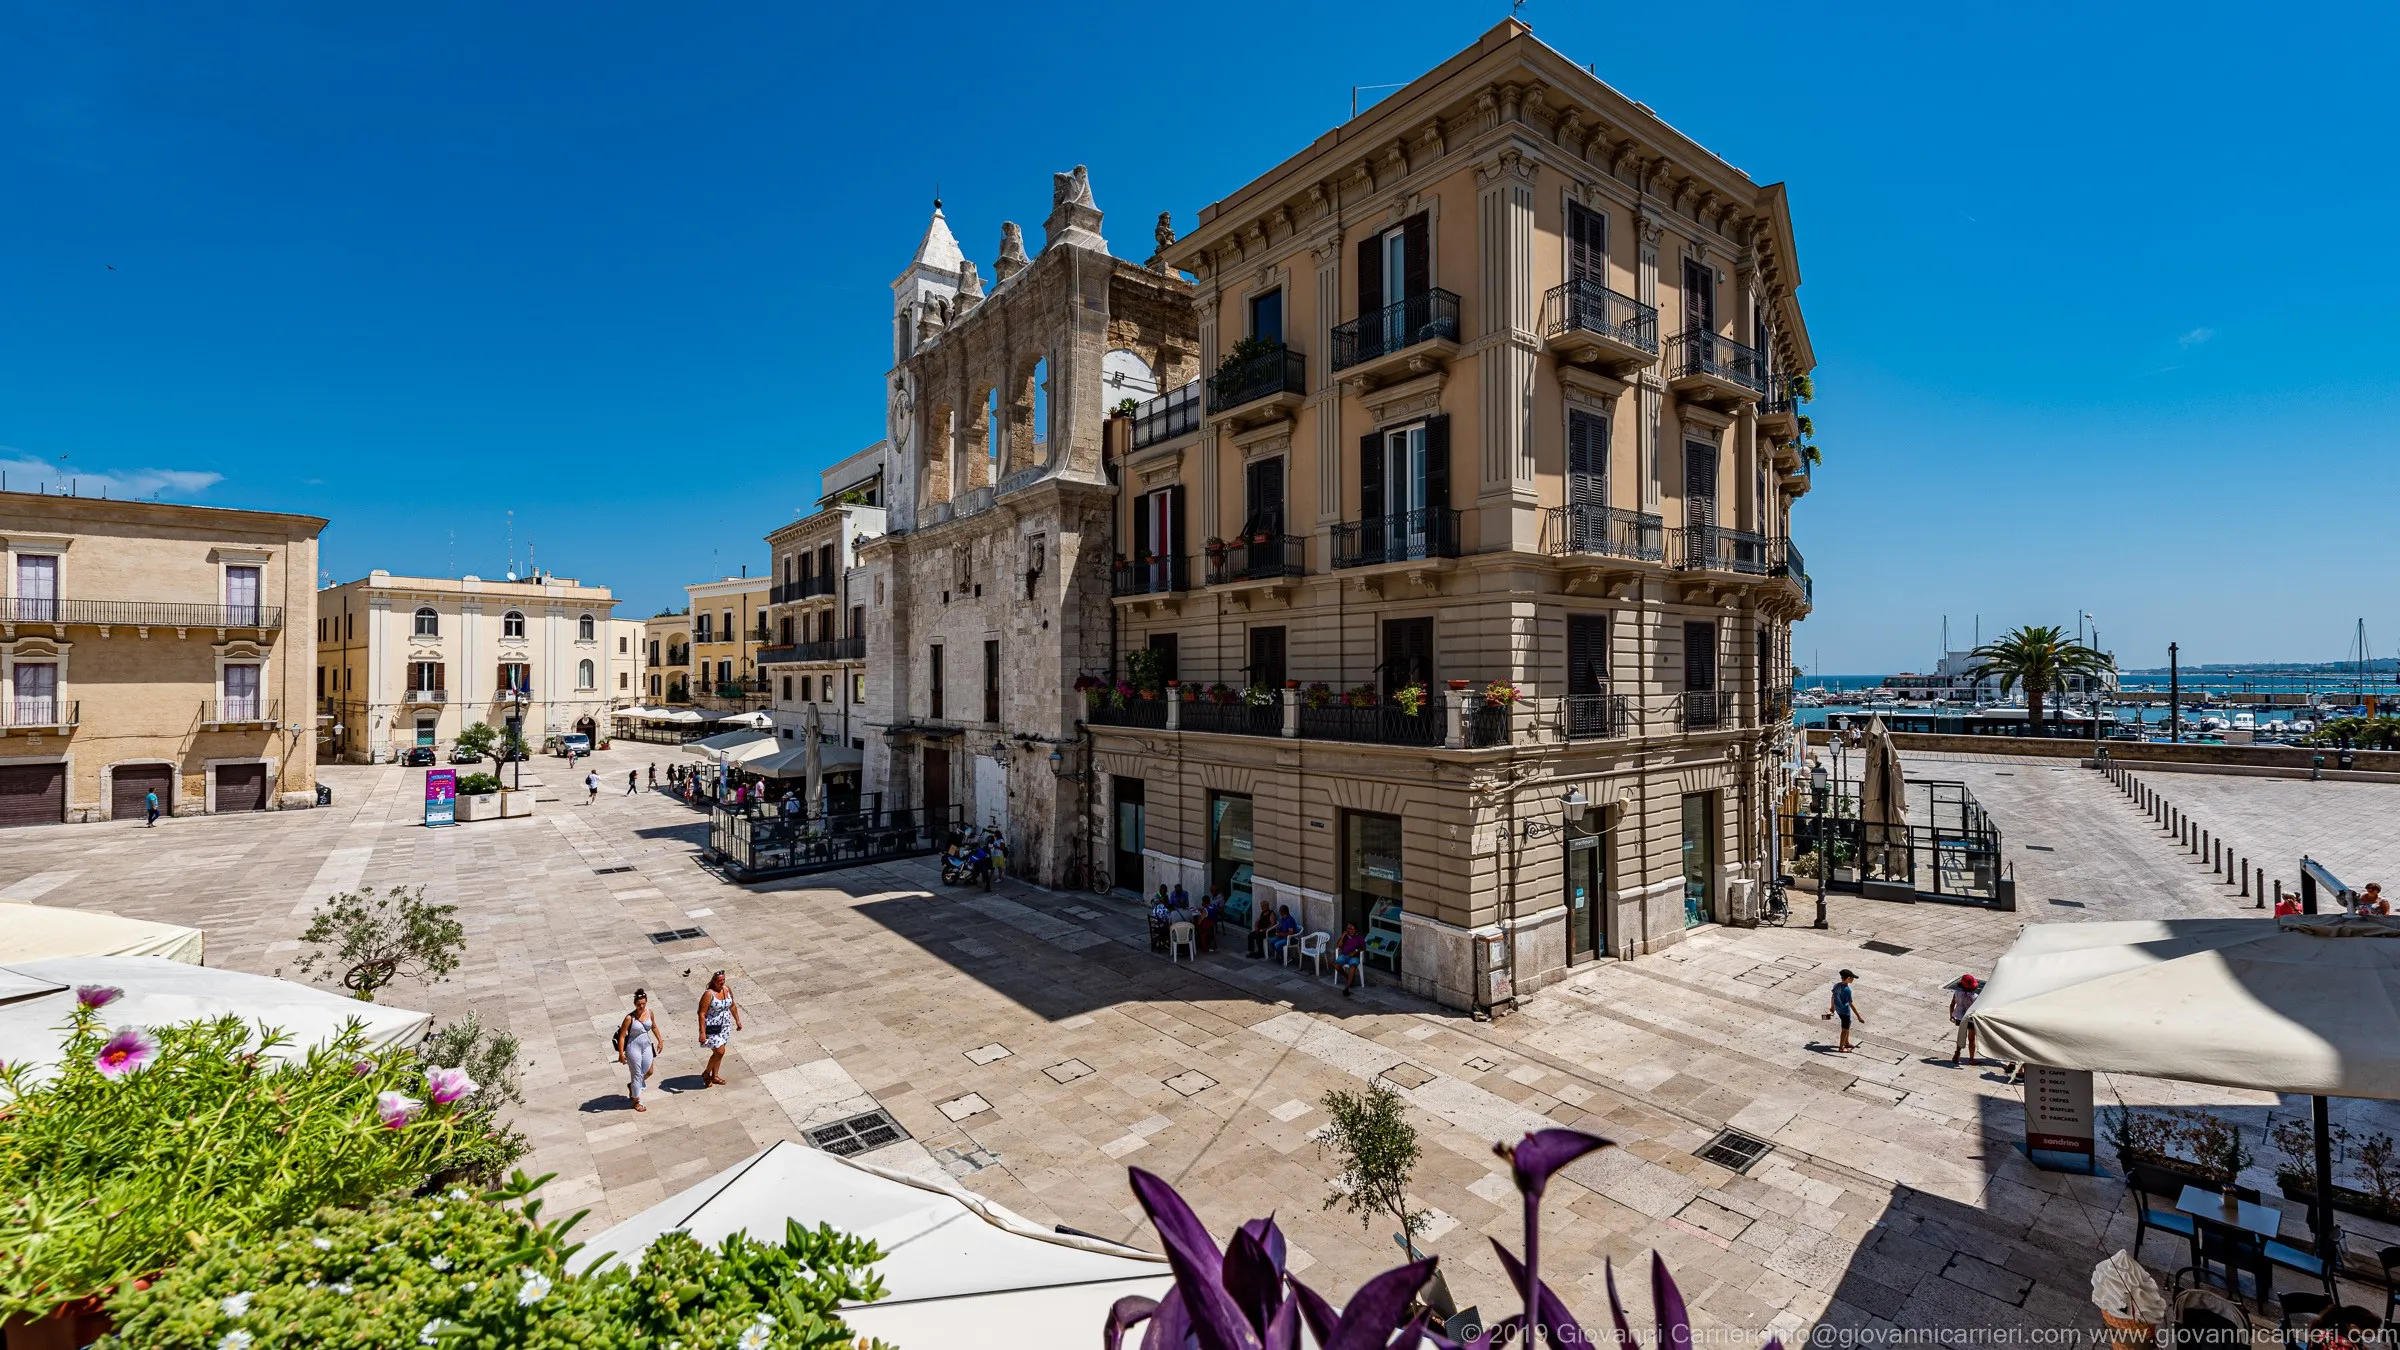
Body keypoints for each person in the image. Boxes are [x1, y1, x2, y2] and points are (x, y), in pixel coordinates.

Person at [614, 988, 660, 1111]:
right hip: (633, 1047)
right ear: (635, 1004)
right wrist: (621, 1053)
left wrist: (660, 1040)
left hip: (646, 1045)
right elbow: (622, 1036)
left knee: (649, 1071)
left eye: (643, 1003)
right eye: (639, 1004)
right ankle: (636, 1101)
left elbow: (654, 1027)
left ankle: (633, 1086)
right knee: (636, 1074)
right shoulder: (630, 1018)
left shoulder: (650, 1012)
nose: (641, 1006)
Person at [697, 971, 742, 1086]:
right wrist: (702, 1032)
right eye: (719, 981)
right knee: (720, 1051)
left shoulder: (727, 989)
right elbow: (701, 1013)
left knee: (718, 1054)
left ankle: (714, 1076)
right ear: (713, 981)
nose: (721, 983)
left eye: (723, 980)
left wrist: (737, 1020)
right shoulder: (709, 994)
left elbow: (732, 1005)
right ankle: (706, 1073)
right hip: (712, 1027)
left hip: (725, 1026)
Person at [1823, 969, 1863, 1053]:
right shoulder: (1847, 990)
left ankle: (1846, 1042)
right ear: (1848, 978)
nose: (1853, 979)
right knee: (1844, 1029)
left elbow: (1833, 996)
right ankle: (1841, 1047)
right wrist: (1859, 1016)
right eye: (1852, 978)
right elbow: (1851, 1004)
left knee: (1847, 1025)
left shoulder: (1836, 985)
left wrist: (1832, 1007)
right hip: (1845, 1011)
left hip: (1838, 1010)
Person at [1948, 974, 1981, 1067]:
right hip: (1971, 1019)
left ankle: (1957, 1053)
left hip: (1959, 1018)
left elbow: (1952, 1005)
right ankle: (1971, 1059)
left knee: (1961, 1035)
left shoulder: (1957, 993)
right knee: (1971, 1039)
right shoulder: (1975, 996)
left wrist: (1951, 1015)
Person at [1333, 923, 1366, 996]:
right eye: (1348, 928)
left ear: (1355, 930)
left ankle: (1347, 987)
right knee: (1336, 965)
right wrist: (1342, 936)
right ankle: (1349, 978)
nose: (1349, 930)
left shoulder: (1359, 937)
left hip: (1354, 956)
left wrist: (1355, 951)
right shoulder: (1345, 936)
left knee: (1353, 967)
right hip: (1344, 955)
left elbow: (1363, 947)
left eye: (1351, 928)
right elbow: (1339, 945)